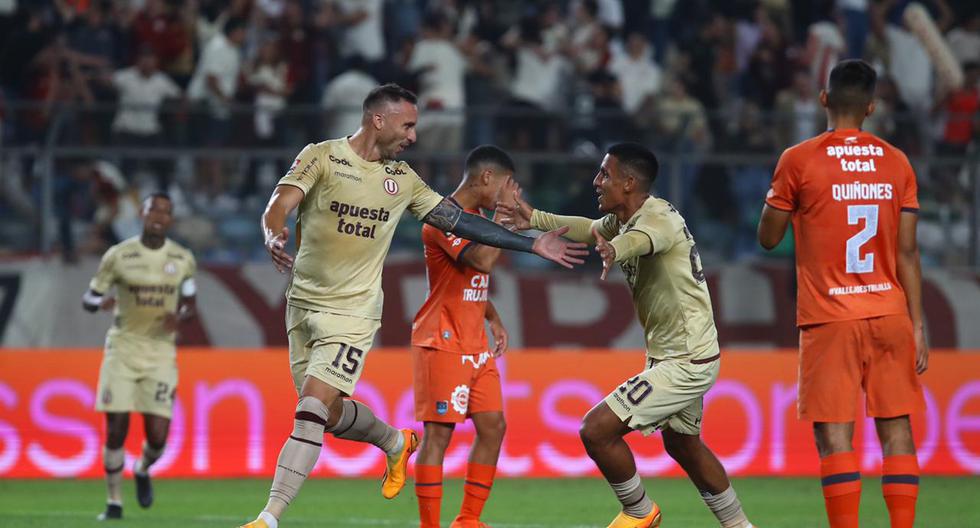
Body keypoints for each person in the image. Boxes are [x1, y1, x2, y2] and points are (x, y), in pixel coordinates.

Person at [239, 83, 586, 528]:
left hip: (354, 312)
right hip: (302, 304)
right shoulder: (322, 156)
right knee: (327, 414)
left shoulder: (403, 181)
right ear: (378, 119)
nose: (413, 136)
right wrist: (273, 232)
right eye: (408, 125)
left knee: (308, 412)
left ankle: (268, 518)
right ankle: (394, 441)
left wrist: (529, 243)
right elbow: (280, 203)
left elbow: (460, 222)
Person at [497, 143, 754, 528]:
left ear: (629, 182)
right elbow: (590, 229)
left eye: (605, 174)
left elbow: (640, 242)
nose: (596, 181)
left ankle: (639, 510)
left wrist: (613, 251)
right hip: (683, 353)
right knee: (683, 444)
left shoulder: (658, 219)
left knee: (596, 430)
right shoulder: (623, 218)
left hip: (684, 361)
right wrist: (534, 217)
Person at [757, 59, 926, 528]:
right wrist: (918, 323)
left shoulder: (799, 158)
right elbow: (908, 253)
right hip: (891, 312)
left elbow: (768, 238)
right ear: (871, 107)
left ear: (824, 99)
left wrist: (781, 199)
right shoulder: (897, 161)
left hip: (830, 317)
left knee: (835, 438)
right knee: (897, 432)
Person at [411, 145, 516, 528]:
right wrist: (505, 220)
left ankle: (468, 521)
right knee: (438, 436)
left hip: (474, 344)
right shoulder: (444, 218)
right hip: (442, 339)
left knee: (494, 427)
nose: (508, 194)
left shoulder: (476, 218)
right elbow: (480, 261)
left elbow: (469, 280)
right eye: (506, 185)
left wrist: (493, 317)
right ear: (487, 177)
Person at [82, 192, 197, 521]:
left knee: (158, 437)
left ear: (170, 219)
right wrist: (100, 303)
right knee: (116, 428)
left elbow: (190, 302)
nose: (159, 216)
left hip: (160, 351)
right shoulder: (119, 256)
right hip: (123, 347)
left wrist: (182, 316)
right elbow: (89, 298)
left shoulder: (182, 258)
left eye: (165, 211)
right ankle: (114, 502)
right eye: (153, 210)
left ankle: (143, 467)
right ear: (142, 215)